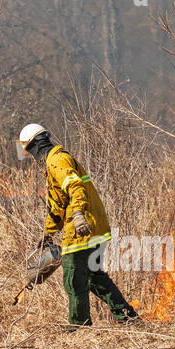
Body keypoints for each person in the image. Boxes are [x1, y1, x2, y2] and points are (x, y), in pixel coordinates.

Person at [18, 123, 139, 327]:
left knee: (73, 277)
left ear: (34, 146)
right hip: (95, 226)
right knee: (95, 276)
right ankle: (127, 317)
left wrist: (78, 215)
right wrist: (47, 235)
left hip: (82, 228)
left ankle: (79, 326)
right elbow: (57, 206)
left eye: (30, 151)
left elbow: (75, 187)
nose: (31, 157)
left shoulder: (57, 160)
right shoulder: (54, 163)